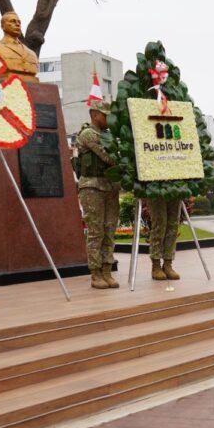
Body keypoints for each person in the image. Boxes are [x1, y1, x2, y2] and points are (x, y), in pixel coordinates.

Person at [76, 101, 120, 289]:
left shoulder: (109, 136)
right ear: (94, 115)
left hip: (110, 187)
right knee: (96, 231)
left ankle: (107, 271)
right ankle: (95, 273)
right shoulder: (88, 135)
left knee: (109, 229)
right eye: (105, 115)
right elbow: (108, 158)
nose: (108, 118)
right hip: (92, 187)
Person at [0, 11, 39, 82]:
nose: (17, 24)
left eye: (19, 22)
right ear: (3, 26)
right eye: (12, 21)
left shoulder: (31, 53)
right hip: (7, 85)